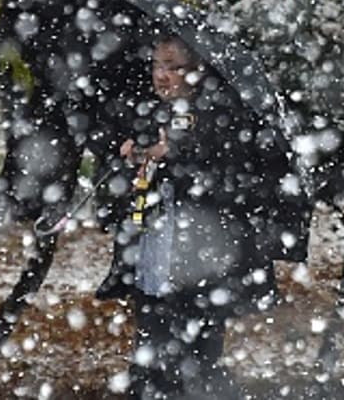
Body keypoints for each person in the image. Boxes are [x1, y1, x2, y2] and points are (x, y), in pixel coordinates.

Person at [111, 35, 289, 400]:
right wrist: (132, 158)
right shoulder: (150, 112)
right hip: (155, 256)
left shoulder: (221, 114)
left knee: (196, 355)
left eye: (173, 67)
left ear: (197, 71)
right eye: (157, 65)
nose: (162, 76)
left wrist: (174, 152)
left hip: (202, 260)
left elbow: (226, 176)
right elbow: (129, 187)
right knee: (150, 349)